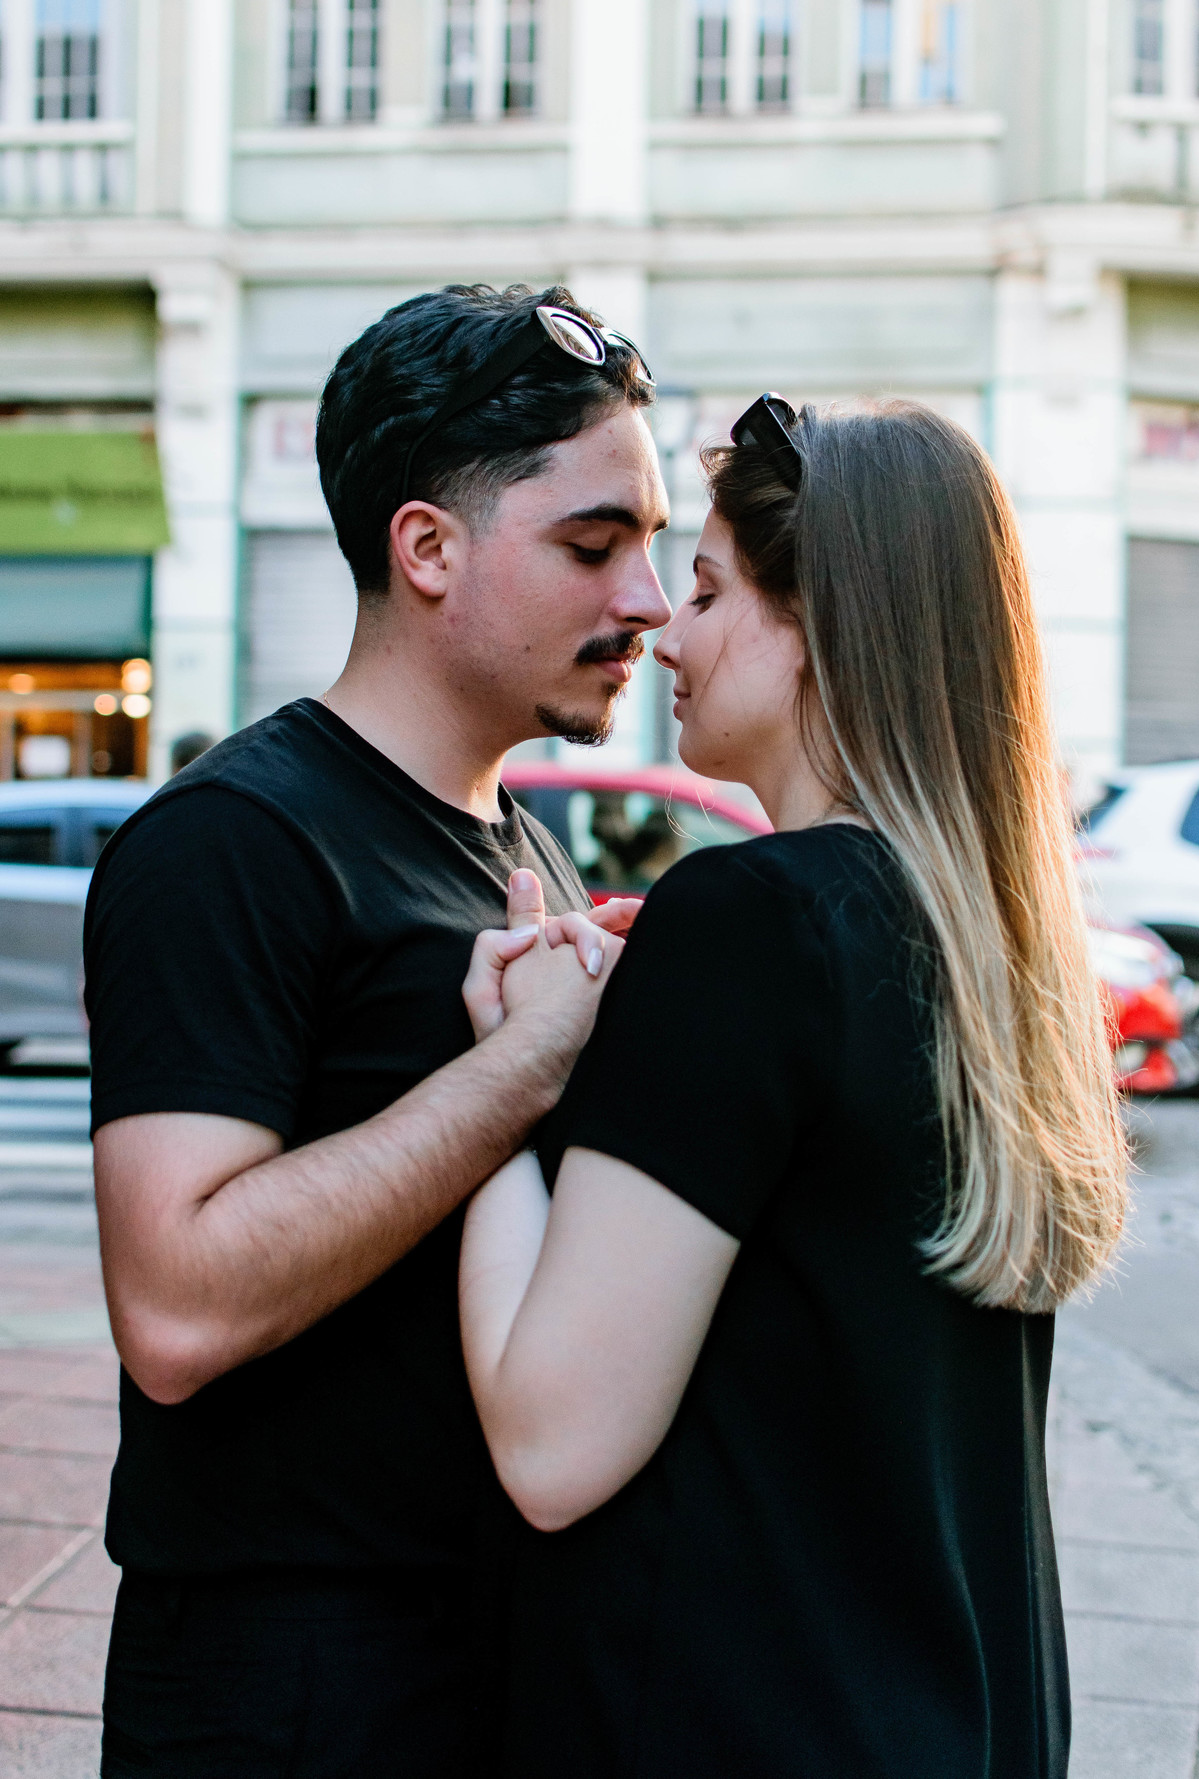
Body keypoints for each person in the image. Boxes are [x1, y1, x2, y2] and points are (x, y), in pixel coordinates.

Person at [458, 397, 1129, 1777]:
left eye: (708, 592)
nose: (667, 634)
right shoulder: (996, 949)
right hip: (961, 1716)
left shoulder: (755, 921)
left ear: (821, 625)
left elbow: (549, 1446)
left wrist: (506, 1074)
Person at [85, 282, 670, 1777]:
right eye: (594, 546)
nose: (649, 603)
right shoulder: (232, 840)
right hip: (292, 1682)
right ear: (427, 548)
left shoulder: (522, 845)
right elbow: (177, 1309)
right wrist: (523, 1065)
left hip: (486, 1645)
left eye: (655, 548)